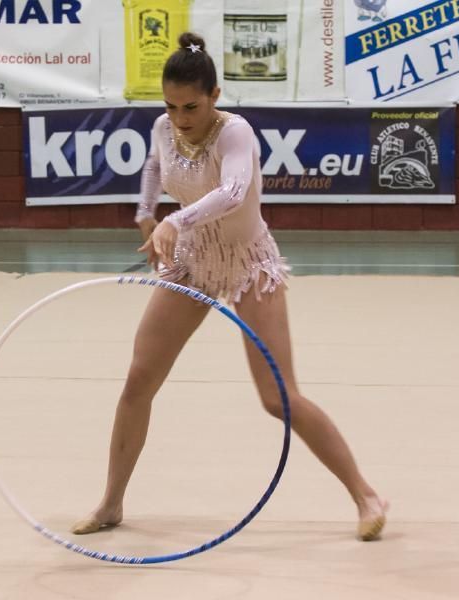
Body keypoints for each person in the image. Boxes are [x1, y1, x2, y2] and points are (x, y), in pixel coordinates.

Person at [71, 32, 388, 541]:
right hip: (193, 261)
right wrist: (146, 212)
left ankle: (365, 494)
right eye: (171, 106)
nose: (180, 118)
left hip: (247, 263)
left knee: (278, 398)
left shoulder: (235, 133)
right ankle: (111, 503)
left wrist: (178, 221)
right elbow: (156, 163)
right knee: (138, 381)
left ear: (215, 95)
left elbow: (234, 191)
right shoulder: (163, 127)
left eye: (191, 106)